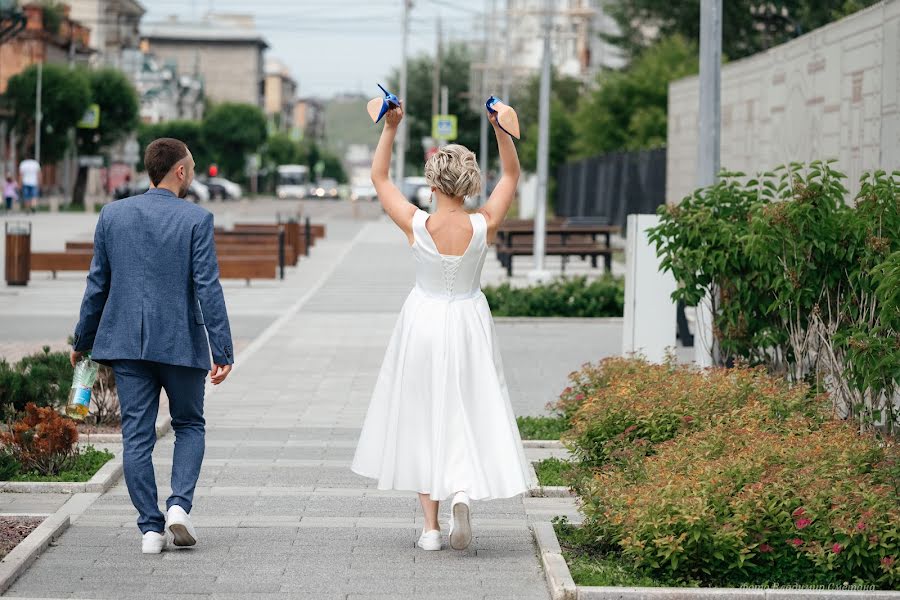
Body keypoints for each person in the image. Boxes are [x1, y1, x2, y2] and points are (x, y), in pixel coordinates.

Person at [351, 102, 531, 552]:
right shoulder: (483, 224)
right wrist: (500, 130)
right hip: (469, 321)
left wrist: (390, 128)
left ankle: (430, 529)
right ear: (470, 183)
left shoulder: (418, 223)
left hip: (424, 322)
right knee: (467, 407)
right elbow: (510, 176)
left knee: (423, 413)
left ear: (433, 181)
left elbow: (380, 178)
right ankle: (463, 493)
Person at [71, 138, 234, 554]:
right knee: (189, 424)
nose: (194, 172)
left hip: (127, 344)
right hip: (181, 342)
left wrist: (82, 340)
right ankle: (179, 505)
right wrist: (223, 350)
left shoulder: (113, 215)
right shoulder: (197, 219)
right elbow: (207, 288)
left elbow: (97, 285)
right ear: (180, 171)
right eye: (192, 166)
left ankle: (149, 528)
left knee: (137, 438)